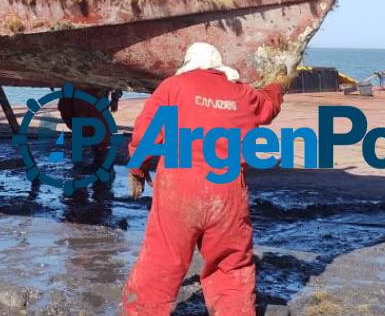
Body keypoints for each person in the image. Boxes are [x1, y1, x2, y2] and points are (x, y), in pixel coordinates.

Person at [122, 42, 293, 316]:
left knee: (162, 261)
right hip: (227, 194)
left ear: (189, 63)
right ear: (218, 66)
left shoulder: (173, 87)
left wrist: (137, 169)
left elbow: (146, 135)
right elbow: (269, 106)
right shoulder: (243, 94)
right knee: (231, 265)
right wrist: (277, 83)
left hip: (179, 188)